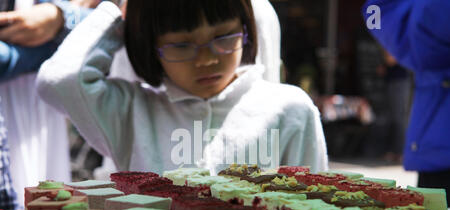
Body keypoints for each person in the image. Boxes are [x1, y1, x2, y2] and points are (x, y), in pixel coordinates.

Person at [37, 0, 328, 176]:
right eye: (181, 45)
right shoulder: (130, 114)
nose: (207, 59)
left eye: (224, 36)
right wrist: (116, 10)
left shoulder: (290, 110)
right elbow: (61, 80)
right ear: (149, 46)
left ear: (247, 29)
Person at [0, 1, 94, 210]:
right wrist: (56, 46)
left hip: (45, 111)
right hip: (11, 107)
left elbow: (115, 22)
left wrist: (60, 17)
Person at [363, 0, 450, 206]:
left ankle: (395, 149)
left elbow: (374, 13)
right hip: (436, 141)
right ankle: (395, 149)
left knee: (398, 114)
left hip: (438, 146)